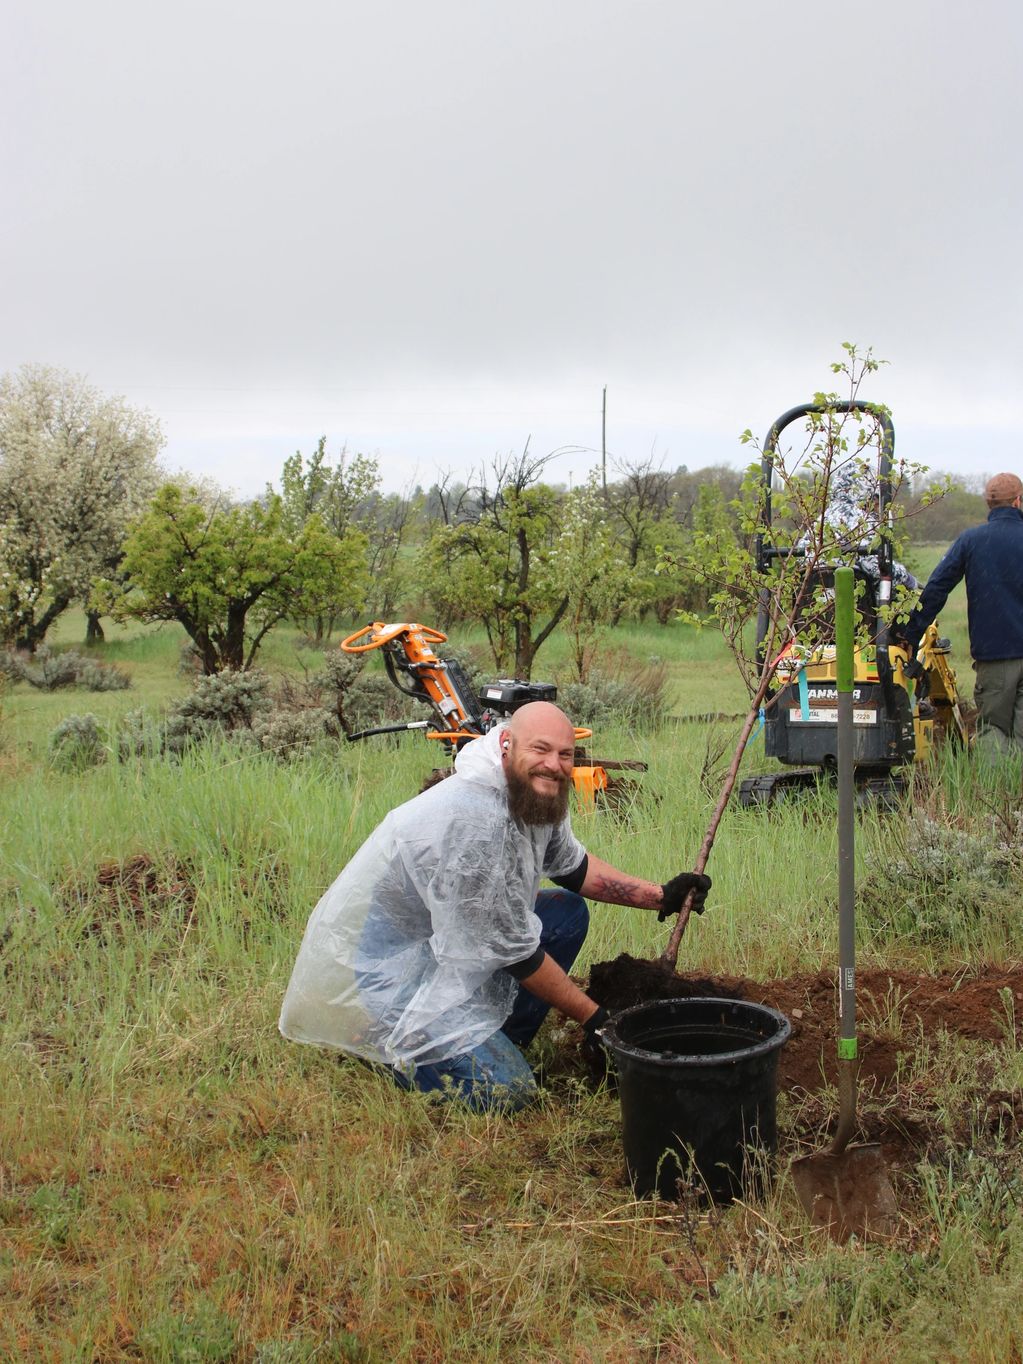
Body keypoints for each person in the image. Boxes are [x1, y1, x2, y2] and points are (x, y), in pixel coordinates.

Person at [279, 701, 710, 1110]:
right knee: (507, 1091)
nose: (554, 764)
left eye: (565, 754)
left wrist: (661, 895)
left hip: (453, 942)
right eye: (540, 749)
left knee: (565, 912)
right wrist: (597, 1019)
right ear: (507, 745)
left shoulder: (537, 793)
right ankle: (395, 1049)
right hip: (399, 970)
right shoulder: (475, 820)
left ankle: (498, 1033)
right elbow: (517, 952)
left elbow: (573, 868)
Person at [898, 472, 1023, 752]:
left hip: (995, 656)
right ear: (1018, 501)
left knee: (994, 730)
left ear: (989, 504)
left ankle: (995, 793)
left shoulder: (971, 541)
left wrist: (911, 632)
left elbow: (936, 589)